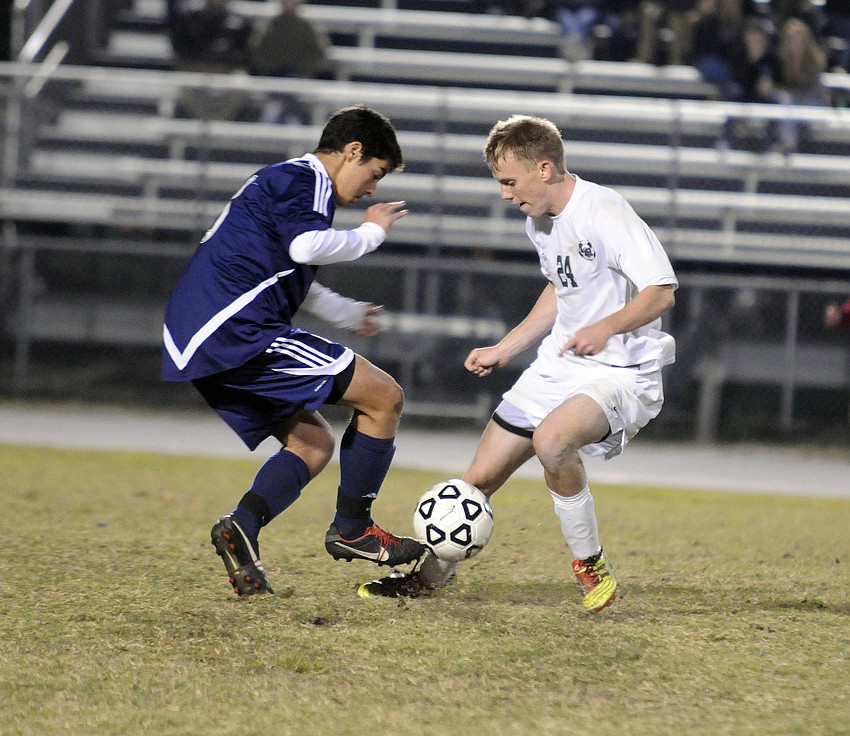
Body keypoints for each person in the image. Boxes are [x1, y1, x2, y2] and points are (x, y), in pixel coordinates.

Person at [361, 114, 677, 613]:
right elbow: (560, 287)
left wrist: (604, 328)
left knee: (551, 442)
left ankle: (589, 564)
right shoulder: (540, 220)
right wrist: (506, 347)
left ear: (545, 168)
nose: (506, 194)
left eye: (510, 182)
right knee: (476, 483)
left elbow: (660, 294)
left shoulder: (606, 212)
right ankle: (428, 579)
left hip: (621, 370)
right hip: (560, 364)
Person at [161, 104, 425, 596]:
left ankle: (241, 527)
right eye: (375, 173)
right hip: (233, 330)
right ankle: (354, 530)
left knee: (312, 444)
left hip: (204, 333)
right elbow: (306, 249)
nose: (372, 188)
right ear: (352, 151)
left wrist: (346, 313)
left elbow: (284, 271)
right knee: (384, 396)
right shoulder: (301, 179)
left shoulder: (291, 187)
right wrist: (373, 232)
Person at [247, 0, 336, 124]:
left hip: (298, 77)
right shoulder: (269, 24)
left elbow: (321, 51)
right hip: (272, 76)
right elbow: (256, 50)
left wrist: (302, 67)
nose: (289, 3)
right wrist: (272, 65)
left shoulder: (308, 25)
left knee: (293, 110)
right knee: (272, 110)